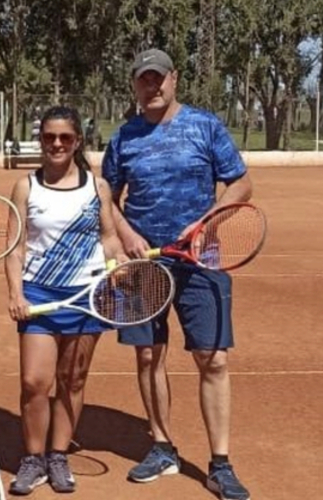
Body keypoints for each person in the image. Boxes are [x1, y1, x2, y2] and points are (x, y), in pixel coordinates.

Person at [101, 49, 253, 500]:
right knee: (149, 356)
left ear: (174, 79)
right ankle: (162, 445)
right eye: (143, 80)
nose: (152, 87)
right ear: (135, 85)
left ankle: (220, 464)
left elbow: (241, 183)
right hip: (144, 262)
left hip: (199, 261)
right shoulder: (124, 137)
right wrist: (124, 233)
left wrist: (208, 223)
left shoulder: (205, 126)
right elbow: (106, 193)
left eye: (159, 79)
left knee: (214, 359)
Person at [4, 106, 128, 495]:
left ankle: (58, 455)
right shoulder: (26, 186)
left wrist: (117, 259)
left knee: (72, 380)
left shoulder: (97, 187)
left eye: (65, 138)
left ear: (77, 142)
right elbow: (15, 248)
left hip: (87, 295)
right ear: (40, 140)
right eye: (48, 137)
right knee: (33, 382)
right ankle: (33, 458)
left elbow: (108, 236)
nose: (56, 144)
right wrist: (16, 293)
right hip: (39, 294)